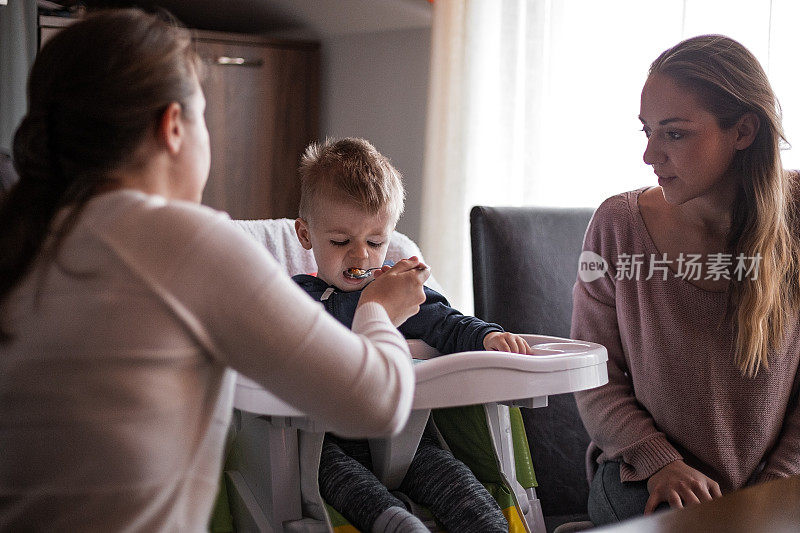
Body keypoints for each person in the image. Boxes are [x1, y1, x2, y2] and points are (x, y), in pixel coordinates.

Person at [0, 10, 431, 531]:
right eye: (204, 116)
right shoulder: (185, 240)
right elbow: (377, 403)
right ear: (174, 127)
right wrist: (378, 309)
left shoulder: (22, 241)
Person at [572, 34, 800, 526]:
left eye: (674, 134)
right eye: (647, 132)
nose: (650, 155)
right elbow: (594, 376)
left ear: (742, 131)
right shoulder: (618, 224)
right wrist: (660, 463)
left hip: (778, 477)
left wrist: (778, 484)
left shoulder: (797, 217)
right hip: (645, 474)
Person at [292, 137, 532, 533]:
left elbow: (448, 323)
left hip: (409, 438)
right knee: (336, 477)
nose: (361, 256)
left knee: (458, 484)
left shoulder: (399, 287)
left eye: (375, 242)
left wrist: (489, 337)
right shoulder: (296, 297)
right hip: (328, 442)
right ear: (305, 236)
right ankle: (398, 525)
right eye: (340, 242)